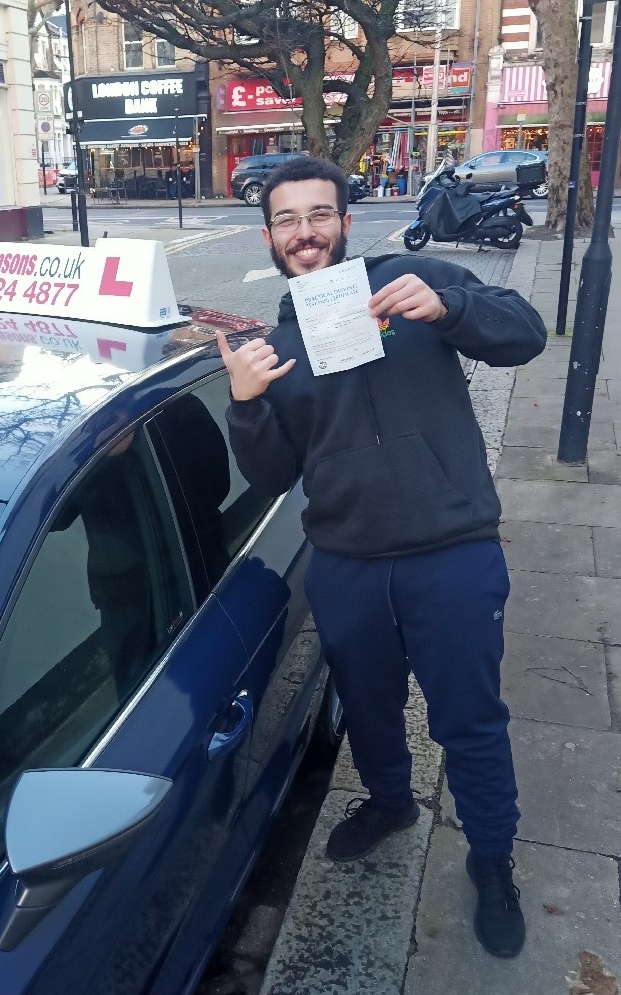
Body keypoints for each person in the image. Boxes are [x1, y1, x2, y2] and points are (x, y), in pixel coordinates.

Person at [215, 156, 546, 959]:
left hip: (451, 552)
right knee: (366, 707)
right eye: (288, 221)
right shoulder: (276, 341)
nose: (305, 233)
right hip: (348, 563)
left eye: (318, 215)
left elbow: (526, 334)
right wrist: (247, 405)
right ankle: (391, 801)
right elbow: (272, 475)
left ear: (343, 221)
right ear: (270, 237)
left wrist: (451, 305)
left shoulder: (409, 278)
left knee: (469, 719)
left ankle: (492, 858)